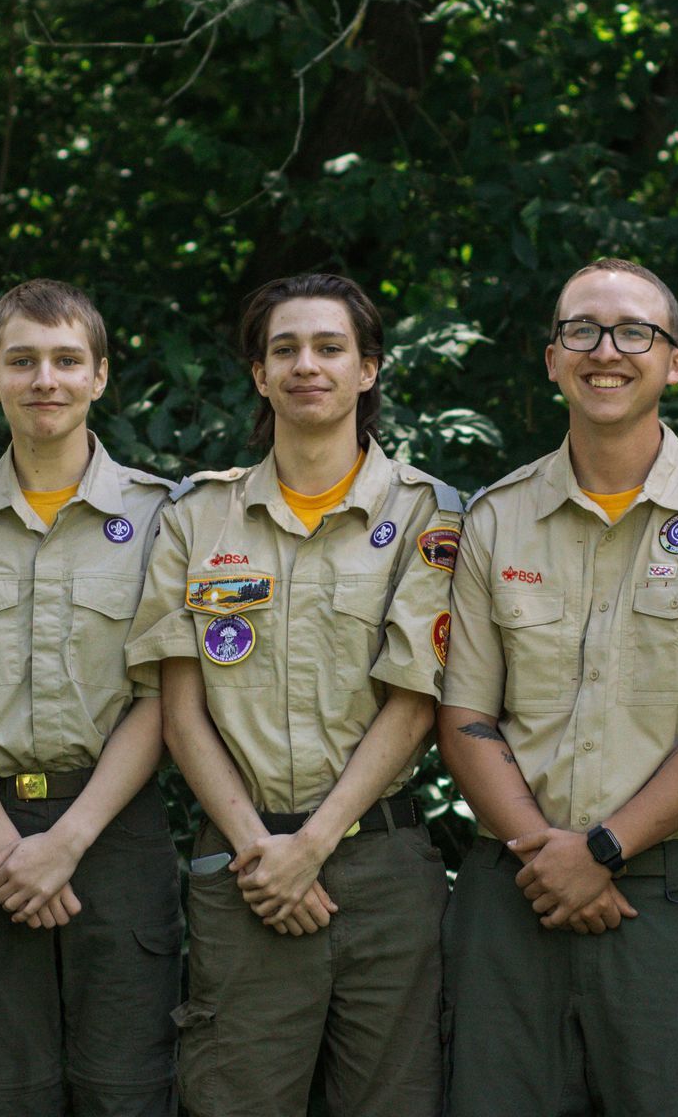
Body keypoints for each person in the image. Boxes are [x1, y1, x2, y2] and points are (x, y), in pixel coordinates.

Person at [438, 258, 678, 1116]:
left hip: (670, 900)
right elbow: (464, 718)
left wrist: (599, 853)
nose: (606, 351)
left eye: (635, 332)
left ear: (675, 362)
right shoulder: (493, 518)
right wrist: (550, 860)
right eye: (581, 331)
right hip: (513, 895)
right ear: (551, 358)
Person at [125, 273, 459, 1117]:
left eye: (329, 347)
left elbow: (415, 701)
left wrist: (313, 843)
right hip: (243, 867)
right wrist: (262, 849)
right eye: (285, 349)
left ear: (369, 370)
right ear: (259, 375)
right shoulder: (197, 517)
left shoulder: (428, 513)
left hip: (381, 872)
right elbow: (180, 707)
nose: (306, 365)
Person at [0, 280, 181, 1114]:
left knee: (126, 1091)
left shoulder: (166, 516)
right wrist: (6, 844)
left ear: (101, 376)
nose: (45, 380)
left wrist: (69, 841)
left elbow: (166, 697)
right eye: (21, 361)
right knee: (3, 1092)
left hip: (118, 833)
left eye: (67, 360)